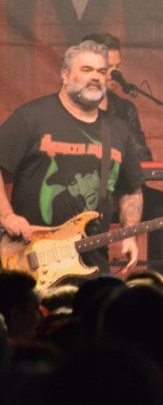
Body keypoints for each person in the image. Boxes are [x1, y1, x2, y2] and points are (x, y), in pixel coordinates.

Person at [0, 40, 144, 276]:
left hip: (92, 261)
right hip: (31, 257)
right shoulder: (32, 117)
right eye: (86, 69)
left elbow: (131, 189)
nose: (95, 77)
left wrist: (130, 235)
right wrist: (6, 215)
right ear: (65, 75)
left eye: (101, 71)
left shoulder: (117, 129)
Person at [79, 33, 163, 274]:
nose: (115, 74)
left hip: (124, 193)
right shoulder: (70, 109)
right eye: (109, 67)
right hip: (85, 195)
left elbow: (142, 157)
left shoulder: (124, 109)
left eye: (118, 67)